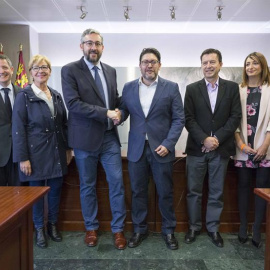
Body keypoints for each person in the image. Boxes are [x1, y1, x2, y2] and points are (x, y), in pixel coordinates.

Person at [61, 28, 127, 250]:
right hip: (85, 140)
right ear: (81, 46)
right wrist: (106, 113)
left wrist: (120, 113)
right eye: (89, 43)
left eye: (97, 43)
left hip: (109, 137)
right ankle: (91, 227)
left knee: (117, 184)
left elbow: (116, 99)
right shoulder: (70, 70)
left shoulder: (110, 70)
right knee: (87, 186)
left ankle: (118, 230)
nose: (93, 47)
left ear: (103, 47)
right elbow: (73, 104)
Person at [119, 48, 185, 250]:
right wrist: (115, 116)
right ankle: (139, 229)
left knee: (165, 191)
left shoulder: (171, 87)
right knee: (138, 191)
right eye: (146, 61)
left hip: (162, 149)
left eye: (153, 61)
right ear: (140, 65)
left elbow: (179, 118)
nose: (149, 65)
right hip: (137, 149)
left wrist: (168, 143)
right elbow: (124, 112)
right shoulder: (129, 87)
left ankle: (169, 231)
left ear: (159, 65)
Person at [12, 54, 72, 248]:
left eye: (44, 67)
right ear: (30, 72)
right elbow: (18, 129)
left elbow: (64, 125)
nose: (41, 71)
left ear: (49, 71)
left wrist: (68, 149)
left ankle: (52, 225)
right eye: (37, 68)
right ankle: (39, 228)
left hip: (56, 152)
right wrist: (23, 158)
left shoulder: (56, 95)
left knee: (55, 192)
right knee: (36, 195)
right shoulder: (24, 96)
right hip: (34, 155)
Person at [184, 48, 241, 248]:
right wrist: (204, 139)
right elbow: (188, 119)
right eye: (205, 62)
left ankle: (214, 229)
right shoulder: (191, 89)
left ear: (220, 64)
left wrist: (215, 138)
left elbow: (235, 117)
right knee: (193, 191)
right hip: (196, 150)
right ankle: (193, 227)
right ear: (201, 65)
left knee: (216, 191)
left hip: (221, 149)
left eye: (212, 62)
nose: (208, 66)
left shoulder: (232, 88)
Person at [234, 52, 270, 248]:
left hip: (266, 150)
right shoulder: (239, 90)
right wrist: (242, 145)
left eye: (255, 63)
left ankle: (257, 228)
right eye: (247, 63)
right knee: (243, 188)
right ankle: (243, 226)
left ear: (262, 66)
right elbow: (234, 121)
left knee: (261, 190)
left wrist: (264, 146)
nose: (250, 67)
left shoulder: (269, 89)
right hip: (243, 149)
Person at [0, 54, 21, 186]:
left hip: (19, 157)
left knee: (20, 199)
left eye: (4, 67)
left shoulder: (23, 93)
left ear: (12, 69)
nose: (2, 71)